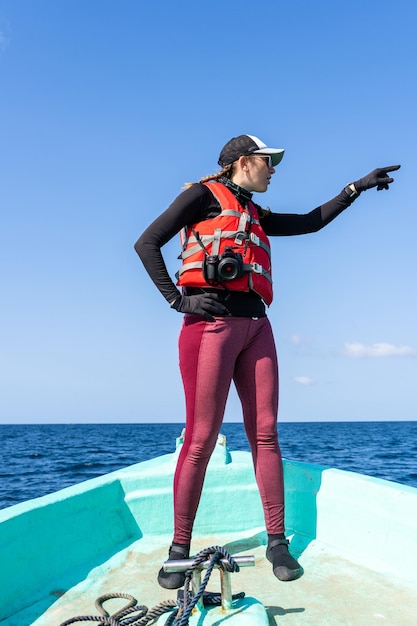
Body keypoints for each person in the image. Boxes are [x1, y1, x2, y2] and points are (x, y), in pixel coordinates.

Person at [134, 134, 400, 587]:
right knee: (200, 439)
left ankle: (277, 540)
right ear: (242, 162)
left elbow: (311, 223)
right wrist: (178, 303)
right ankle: (180, 546)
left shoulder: (254, 212)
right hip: (210, 327)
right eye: (267, 161)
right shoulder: (203, 196)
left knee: (266, 434)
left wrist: (355, 188)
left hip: (257, 325)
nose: (274, 169)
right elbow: (146, 243)